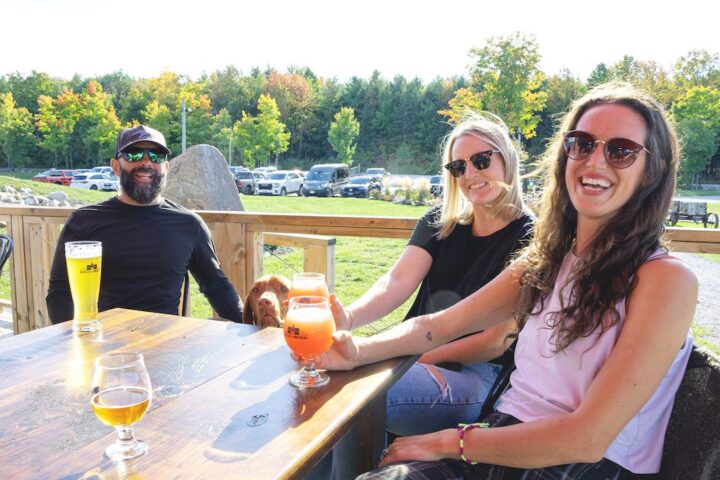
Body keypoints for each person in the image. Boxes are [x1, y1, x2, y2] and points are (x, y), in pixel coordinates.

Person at [317, 82, 696, 479]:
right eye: (582, 144)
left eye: (621, 150)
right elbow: (437, 325)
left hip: (581, 467)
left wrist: (450, 441)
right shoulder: (548, 260)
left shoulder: (666, 280)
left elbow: (588, 438)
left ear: (651, 173)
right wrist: (357, 350)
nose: (595, 161)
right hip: (503, 442)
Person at [333, 113, 533, 435]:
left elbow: (495, 341)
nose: (470, 173)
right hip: (413, 350)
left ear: (507, 160)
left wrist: (419, 357)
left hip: (479, 372)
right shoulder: (441, 222)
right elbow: (396, 282)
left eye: (481, 160)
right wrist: (347, 319)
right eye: (458, 167)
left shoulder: (531, 239)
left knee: (361, 396)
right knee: (333, 382)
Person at [47, 124, 244, 323]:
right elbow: (59, 294)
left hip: (166, 345)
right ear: (116, 166)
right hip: (106, 345)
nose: (146, 162)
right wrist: (76, 343)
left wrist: (253, 324)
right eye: (134, 154)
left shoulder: (189, 224)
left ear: (166, 168)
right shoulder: (84, 221)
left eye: (156, 156)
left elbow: (217, 287)